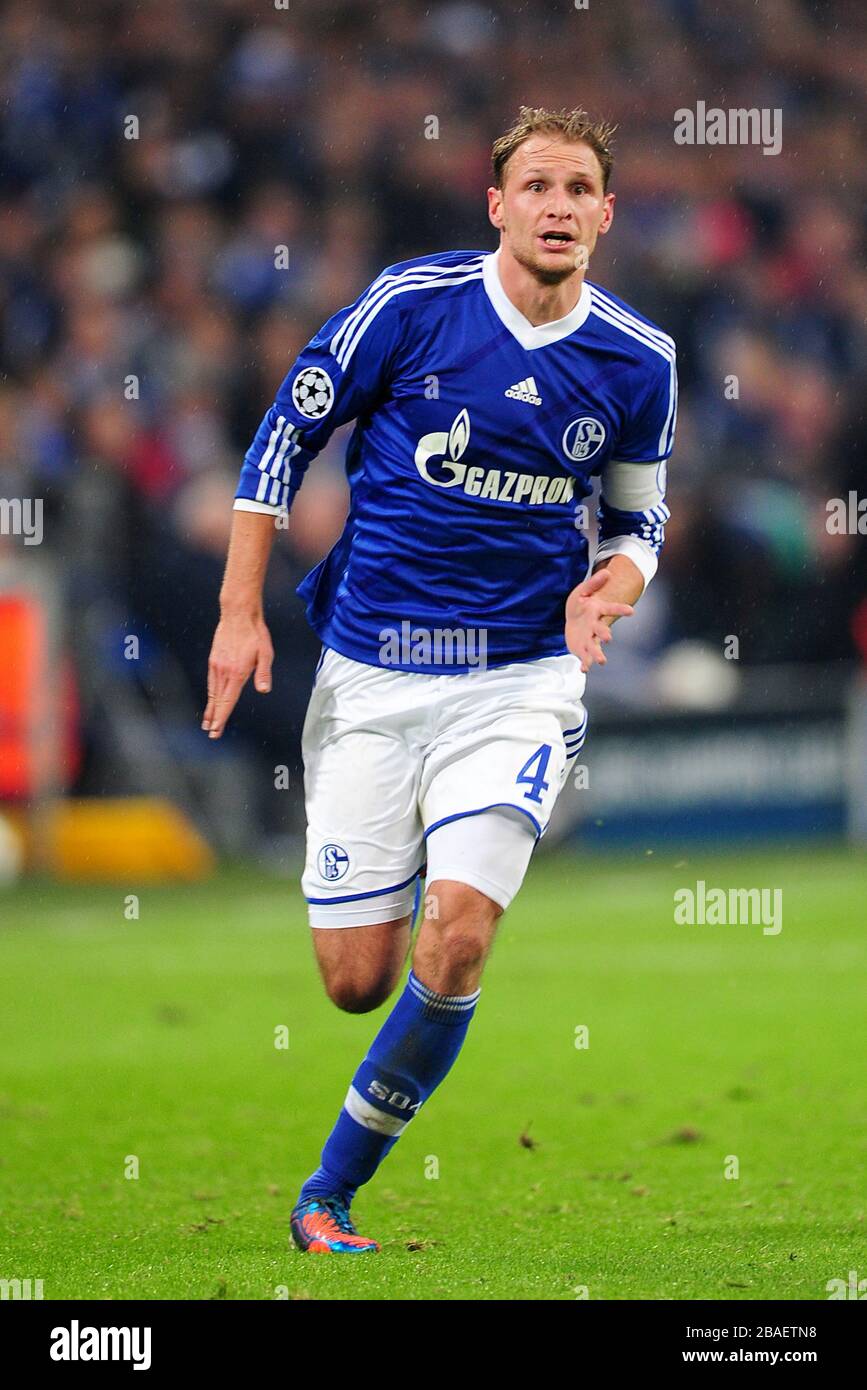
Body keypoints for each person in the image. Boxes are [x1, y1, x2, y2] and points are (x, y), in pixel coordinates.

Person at [204, 106, 677, 1253]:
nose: (559, 208)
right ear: (497, 204)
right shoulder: (411, 307)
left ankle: (327, 1195)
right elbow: (282, 437)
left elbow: (639, 523)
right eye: (539, 188)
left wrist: (606, 590)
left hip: (519, 681)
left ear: (606, 214)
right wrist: (237, 612)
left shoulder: (639, 358)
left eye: (579, 191)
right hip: (372, 675)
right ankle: (409, 860)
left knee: (457, 937)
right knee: (357, 983)